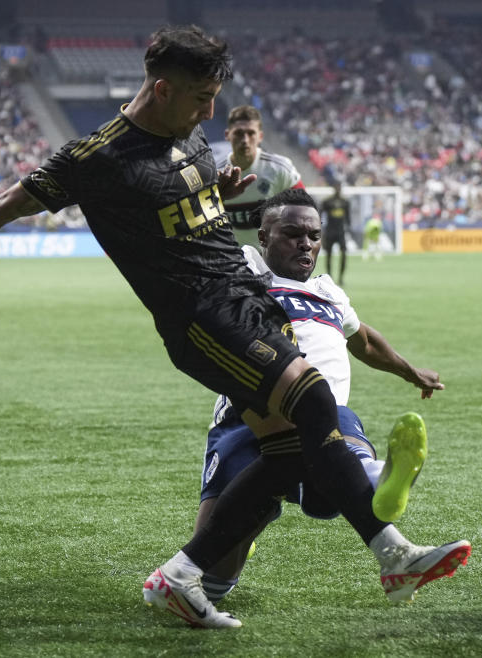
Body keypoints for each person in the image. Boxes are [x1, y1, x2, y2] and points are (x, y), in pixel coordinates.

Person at [0, 26, 467, 630]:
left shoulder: (191, 132)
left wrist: (218, 188)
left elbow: (185, 198)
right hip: (202, 316)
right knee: (314, 401)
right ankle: (392, 555)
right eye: (200, 98)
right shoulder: (96, 158)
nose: (210, 112)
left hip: (247, 299)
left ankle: (182, 578)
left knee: (288, 454)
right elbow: (3, 205)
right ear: (160, 88)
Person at [194, 188, 466, 605]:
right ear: (263, 237)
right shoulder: (245, 267)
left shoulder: (328, 291)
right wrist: (213, 202)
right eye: (291, 233)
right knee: (212, 578)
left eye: (313, 235)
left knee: (331, 431)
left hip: (323, 411)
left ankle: (379, 476)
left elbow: (367, 343)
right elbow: (199, 246)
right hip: (246, 411)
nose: (306, 243)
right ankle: (357, 485)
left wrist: (411, 371)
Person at [216, 105, 303, 247]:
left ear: (260, 136)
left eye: (251, 133)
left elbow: (304, 210)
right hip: (231, 261)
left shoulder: (280, 168)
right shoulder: (215, 172)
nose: (245, 140)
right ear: (227, 135)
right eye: (238, 133)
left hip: (272, 261)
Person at [320, 180, 351, 285]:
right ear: (334, 188)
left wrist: (349, 231)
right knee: (328, 255)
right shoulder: (327, 202)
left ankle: (341, 278)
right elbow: (319, 216)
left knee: (344, 254)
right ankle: (329, 277)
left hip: (341, 232)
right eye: (336, 187)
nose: (338, 189)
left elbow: (348, 219)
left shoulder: (345, 202)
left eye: (339, 187)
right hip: (329, 232)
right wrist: (321, 231)